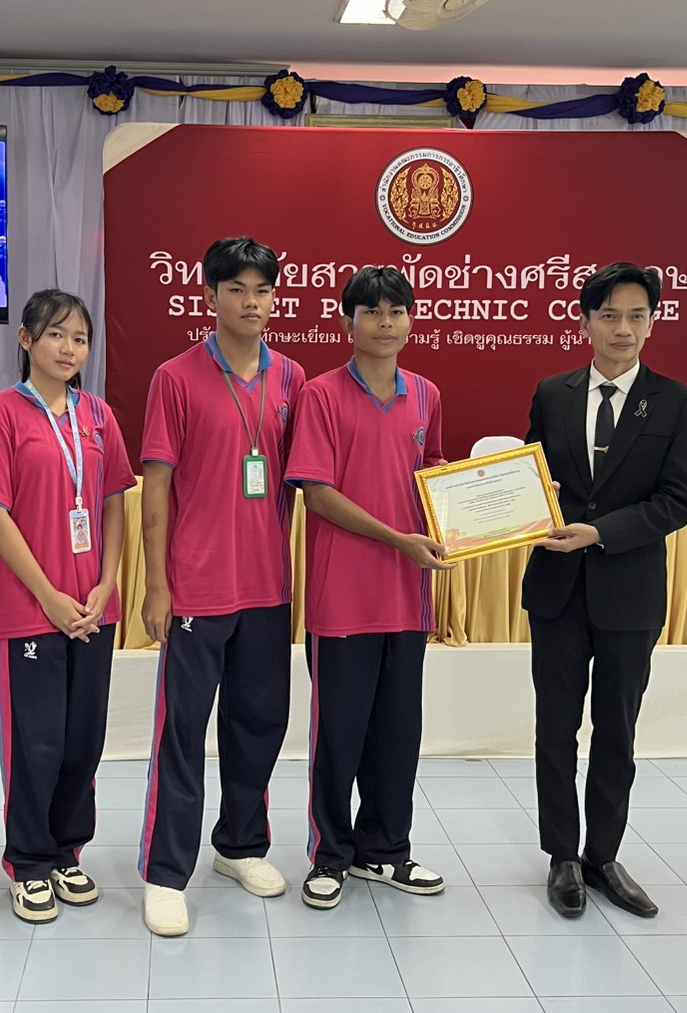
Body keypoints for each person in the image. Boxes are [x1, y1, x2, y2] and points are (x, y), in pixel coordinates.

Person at [137, 236, 306, 936]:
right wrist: (156, 585)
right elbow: (155, 488)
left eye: (262, 290)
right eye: (236, 289)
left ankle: (239, 845)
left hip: (266, 585)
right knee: (183, 733)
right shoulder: (174, 377)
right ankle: (165, 872)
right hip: (196, 587)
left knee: (258, 722)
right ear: (209, 296)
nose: (251, 303)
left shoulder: (291, 376)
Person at [522, 262, 687, 920]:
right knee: (554, 728)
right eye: (608, 316)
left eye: (635, 316)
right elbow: (529, 476)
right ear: (585, 322)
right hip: (556, 589)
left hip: (629, 591)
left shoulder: (677, 401)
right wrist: (519, 506)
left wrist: (598, 532)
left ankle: (602, 856)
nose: (622, 328)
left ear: (651, 323)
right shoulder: (552, 392)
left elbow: (678, 500)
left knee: (616, 729)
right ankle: (561, 856)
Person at [0, 289, 135, 924]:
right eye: (56, 335)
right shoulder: (0, 414)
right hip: (31, 609)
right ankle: (30, 860)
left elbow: (114, 501)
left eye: (80, 338)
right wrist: (48, 595)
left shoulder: (98, 415)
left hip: (92, 609)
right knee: (35, 743)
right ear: (26, 340)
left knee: (82, 741)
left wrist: (106, 583)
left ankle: (67, 851)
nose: (69, 349)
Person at [285, 265, 452, 910]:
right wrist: (396, 538)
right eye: (372, 312)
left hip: (407, 596)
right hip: (343, 599)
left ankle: (386, 849)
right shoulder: (321, 395)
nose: (386, 323)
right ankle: (330, 855)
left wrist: (473, 503)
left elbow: (431, 470)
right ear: (347, 321)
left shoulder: (426, 394)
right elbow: (317, 492)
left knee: (397, 735)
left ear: (411, 320)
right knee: (339, 735)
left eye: (397, 311)